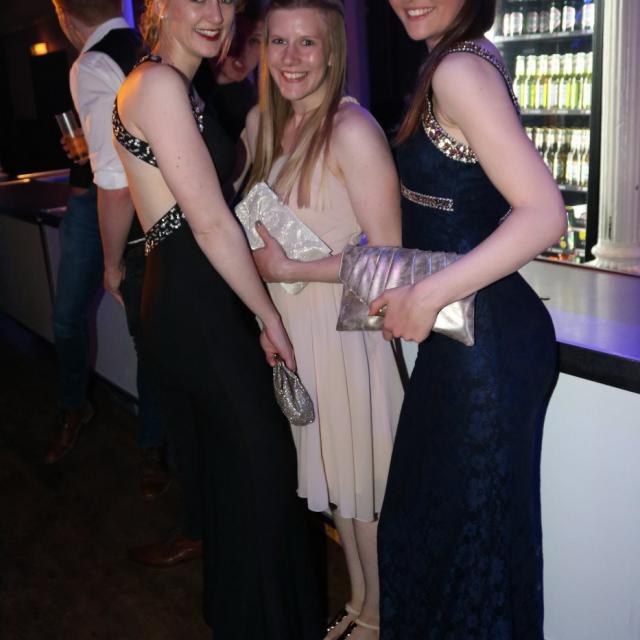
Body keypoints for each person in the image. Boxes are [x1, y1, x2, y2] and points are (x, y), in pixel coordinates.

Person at [113, 0, 324, 636]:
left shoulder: (175, 84)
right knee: (263, 467)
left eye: (226, 0)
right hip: (194, 297)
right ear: (159, 5)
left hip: (193, 291)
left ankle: (250, 619)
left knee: (238, 471)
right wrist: (269, 317)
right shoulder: (157, 85)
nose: (216, 12)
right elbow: (207, 220)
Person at [370, 1, 567, 638]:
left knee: (461, 551)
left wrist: (427, 297)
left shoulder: (459, 68)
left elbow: (544, 213)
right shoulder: (461, 59)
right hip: (473, 339)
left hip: (484, 349)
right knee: (453, 544)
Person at [244, 1, 404, 638]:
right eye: (278, 41)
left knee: (363, 491)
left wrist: (291, 271)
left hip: (344, 339)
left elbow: (391, 259)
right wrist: (269, 317)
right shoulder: (278, 128)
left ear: (333, 51)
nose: (290, 58)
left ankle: (379, 619)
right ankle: (363, 606)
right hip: (301, 337)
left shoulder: (350, 128)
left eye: (306, 43)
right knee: (342, 490)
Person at [48, 0, 170, 502]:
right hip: (112, 206)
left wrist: (112, 262)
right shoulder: (151, 48)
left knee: (104, 328)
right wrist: (90, 147)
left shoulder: (92, 63)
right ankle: (84, 411)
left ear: (63, 15)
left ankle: (146, 444)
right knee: (105, 329)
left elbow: (116, 177)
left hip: (116, 209)